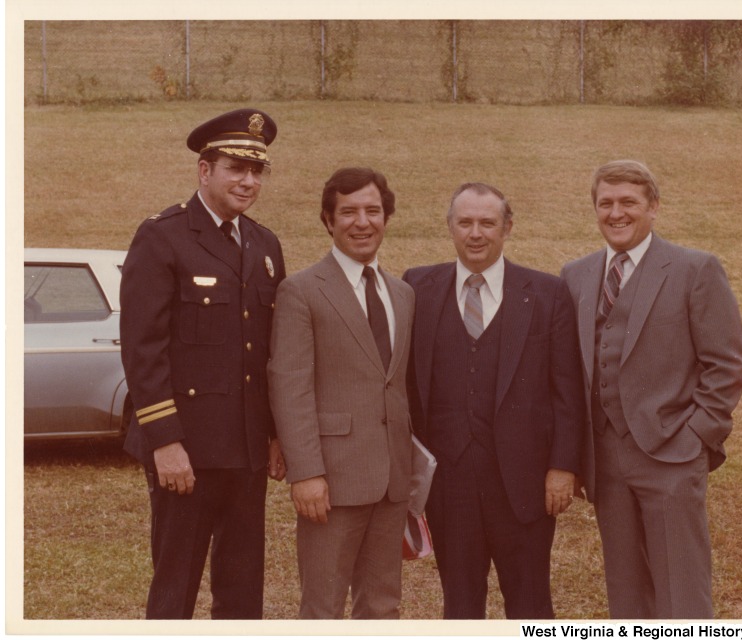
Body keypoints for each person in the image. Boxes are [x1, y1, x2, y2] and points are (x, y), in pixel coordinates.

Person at [560, 159, 742, 619]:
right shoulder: (576, 275)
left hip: (672, 454)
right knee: (625, 589)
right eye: (605, 203)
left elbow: (727, 364)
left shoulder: (694, 268)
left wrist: (696, 437)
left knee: (681, 587)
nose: (616, 213)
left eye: (629, 202)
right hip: (604, 461)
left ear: (654, 208)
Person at [120, 108, 287, 619]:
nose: (248, 180)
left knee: (242, 591)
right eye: (236, 167)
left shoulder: (264, 245)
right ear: (204, 170)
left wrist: (276, 434)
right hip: (186, 452)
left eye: (257, 170)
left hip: (245, 451)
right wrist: (165, 442)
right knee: (176, 588)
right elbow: (142, 350)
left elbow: (269, 353)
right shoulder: (162, 236)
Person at [403, 182, 584, 619]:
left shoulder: (546, 292)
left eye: (488, 223)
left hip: (523, 485)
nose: (476, 233)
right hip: (450, 486)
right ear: (450, 227)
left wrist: (562, 467)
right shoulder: (417, 287)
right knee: (460, 606)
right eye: (465, 222)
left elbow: (568, 390)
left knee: (531, 605)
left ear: (508, 228)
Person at [267, 167, 414, 619]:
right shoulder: (301, 291)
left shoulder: (403, 293)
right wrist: (306, 473)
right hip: (331, 481)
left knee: (383, 603)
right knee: (323, 606)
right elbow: (290, 387)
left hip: (391, 481)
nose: (362, 222)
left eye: (373, 211)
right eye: (348, 212)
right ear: (328, 221)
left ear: (386, 218)